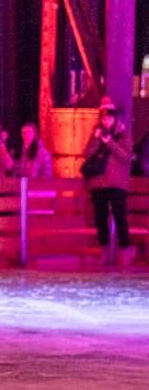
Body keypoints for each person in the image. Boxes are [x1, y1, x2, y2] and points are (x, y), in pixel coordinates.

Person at [82, 96, 133, 264]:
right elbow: (86, 154)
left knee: (120, 216)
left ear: (115, 117)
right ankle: (104, 250)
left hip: (117, 183)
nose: (106, 121)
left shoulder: (123, 133)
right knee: (100, 217)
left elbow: (126, 157)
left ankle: (125, 250)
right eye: (104, 119)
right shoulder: (96, 134)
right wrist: (97, 140)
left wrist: (109, 142)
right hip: (98, 182)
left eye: (109, 118)